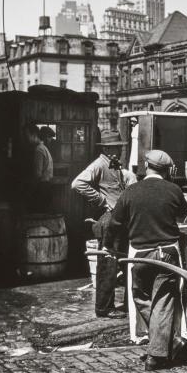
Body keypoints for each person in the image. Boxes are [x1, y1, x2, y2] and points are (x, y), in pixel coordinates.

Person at [110, 149, 187, 370]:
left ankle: (160, 346)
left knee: (140, 297)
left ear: (147, 166)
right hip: (167, 253)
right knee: (162, 302)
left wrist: (109, 246)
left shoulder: (131, 191)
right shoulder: (174, 190)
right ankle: (161, 348)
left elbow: (114, 223)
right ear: (167, 171)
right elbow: (183, 212)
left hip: (140, 255)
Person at [71, 134, 137, 317]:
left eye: (120, 147)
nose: (120, 150)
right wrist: (101, 200)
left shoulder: (114, 165)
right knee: (108, 264)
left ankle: (125, 304)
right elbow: (77, 184)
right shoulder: (99, 164)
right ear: (107, 149)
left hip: (120, 220)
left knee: (121, 261)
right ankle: (104, 308)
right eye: (116, 148)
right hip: (110, 221)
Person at [27, 125, 54, 208]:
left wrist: (30, 190)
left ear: (34, 135)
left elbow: (37, 174)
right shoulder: (44, 148)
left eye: (27, 136)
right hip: (47, 186)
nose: (27, 139)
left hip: (42, 188)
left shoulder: (39, 149)